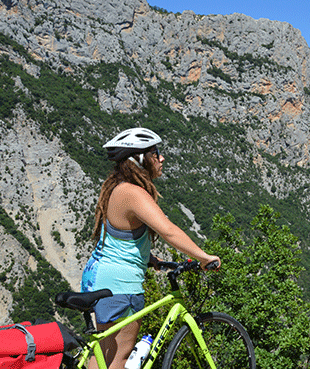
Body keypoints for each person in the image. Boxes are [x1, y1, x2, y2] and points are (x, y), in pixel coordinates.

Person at [81, 127, 220, 369]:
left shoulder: (118, 188)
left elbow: (120, 236)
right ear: (138, 160)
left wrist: (148, 257)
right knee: (119, 358)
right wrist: (204, 257)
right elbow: (169, 231)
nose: (161, 158)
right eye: (155, 153)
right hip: (119, 285)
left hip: (101, 276)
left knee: (103, 357)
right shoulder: (133, 193)